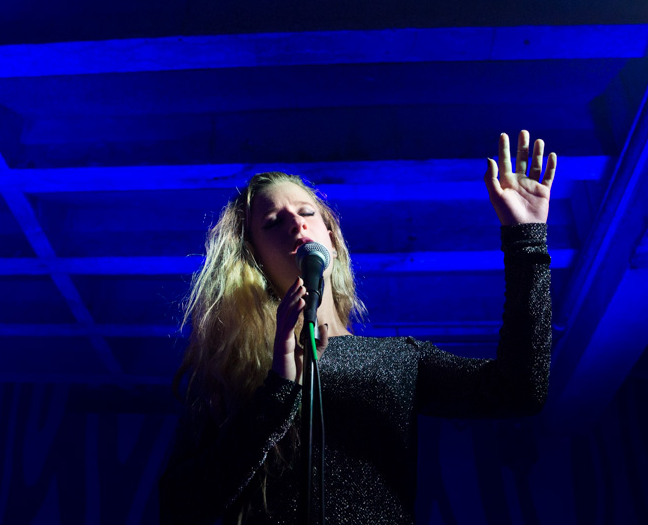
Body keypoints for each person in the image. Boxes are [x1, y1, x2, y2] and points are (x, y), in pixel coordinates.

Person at [159, 131, 556, 524]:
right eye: (274, 222)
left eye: (306, 212)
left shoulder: (399, 359)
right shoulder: (227, 375)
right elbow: (179, 505)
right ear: (254, 258)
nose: (296, 224)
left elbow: (519, 390)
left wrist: (526, 241)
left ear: (330, 239)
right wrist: (278, 388)